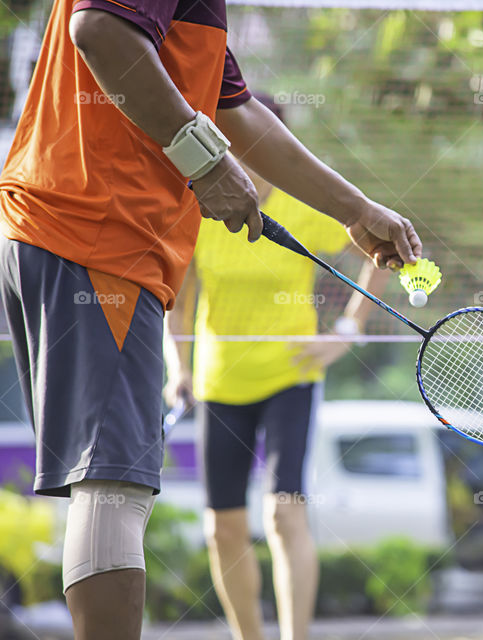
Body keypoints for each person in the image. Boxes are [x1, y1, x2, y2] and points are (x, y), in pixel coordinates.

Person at [0, 1, 421, 638]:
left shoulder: (199, 18)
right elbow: (100, 29)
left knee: (113, 485)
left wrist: (353, 209)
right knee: (113, 485)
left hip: (79, 236)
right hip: (98, 237)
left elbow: (234, 111)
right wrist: (203, 158)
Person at [163, 95, 387, 640]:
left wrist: (345, 335)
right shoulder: (202, 207)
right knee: (223, 528)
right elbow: (180, 302)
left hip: (292, 374)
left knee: (285, 514)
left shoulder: (304, 205)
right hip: (220, 381)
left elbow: (380, 252)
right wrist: (179, 370)